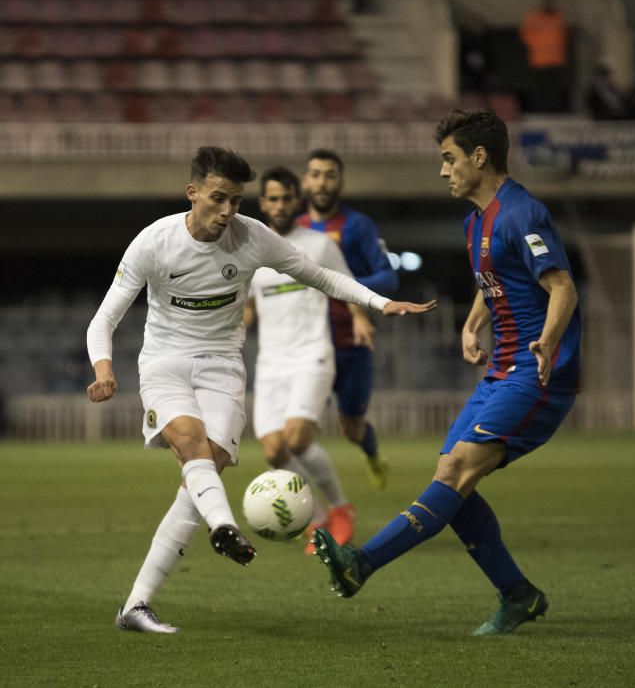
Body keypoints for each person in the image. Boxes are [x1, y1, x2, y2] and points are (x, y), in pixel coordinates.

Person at [86, 146, 435, 634]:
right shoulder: (153, 242)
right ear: (193, 194)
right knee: (189, 443)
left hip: (223, 367)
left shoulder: (252, 238)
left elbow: (319, 274)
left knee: (202, 470)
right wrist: (104, 369)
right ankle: (225, 526)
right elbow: (104, 319)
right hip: (164, 362)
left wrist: (379, 302)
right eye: (218, 198)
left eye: (236, 201)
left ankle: (136, 606)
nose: (228, 211)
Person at [313, 109, 581, 637]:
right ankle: (518, 595)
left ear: (479, 158)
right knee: (450, 483)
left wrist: (547, 343)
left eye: (449, 158)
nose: (443, 171)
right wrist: (472, 326)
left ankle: (360, 563)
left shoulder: (521, 214)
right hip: (500, 370)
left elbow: (563, 288)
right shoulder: (476, 220)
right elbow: (493, 279)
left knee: (456, 471)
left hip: (537, 373)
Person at [245, 166, 374, 551]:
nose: (280, 205)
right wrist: (233, 332)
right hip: (271, 364)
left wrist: (361, 318)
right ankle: (317, 523)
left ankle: (340, 508)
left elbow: (347, 285)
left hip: (312, 356)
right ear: (263, 202)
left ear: (296, 201)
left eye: (287, 198)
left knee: (298, 440)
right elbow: (248, 306)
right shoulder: (252, 250)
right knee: (273, 451)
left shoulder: (318, 246)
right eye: (273, 198)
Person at [297, 149, 398, 489]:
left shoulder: (358, 227)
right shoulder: (293, 231)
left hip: (351, 345)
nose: (322, 182)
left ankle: (372, 455)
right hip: (307, 346)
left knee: (352, 429)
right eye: (315, 174)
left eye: (329, 175)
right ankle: (304, 503)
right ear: (305, 181)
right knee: (298, 428)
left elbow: (388, 277)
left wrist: (347, 289)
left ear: (340, 182)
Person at [519, 0, 569, 112]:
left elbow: (563, 37)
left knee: (554, 89)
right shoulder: (533, 18)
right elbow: (525, 35)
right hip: (539, 60)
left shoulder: (559, 18)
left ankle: (554, 110)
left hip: (555, 60)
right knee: (540, 89)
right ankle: (540, 110)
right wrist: (538, 46)